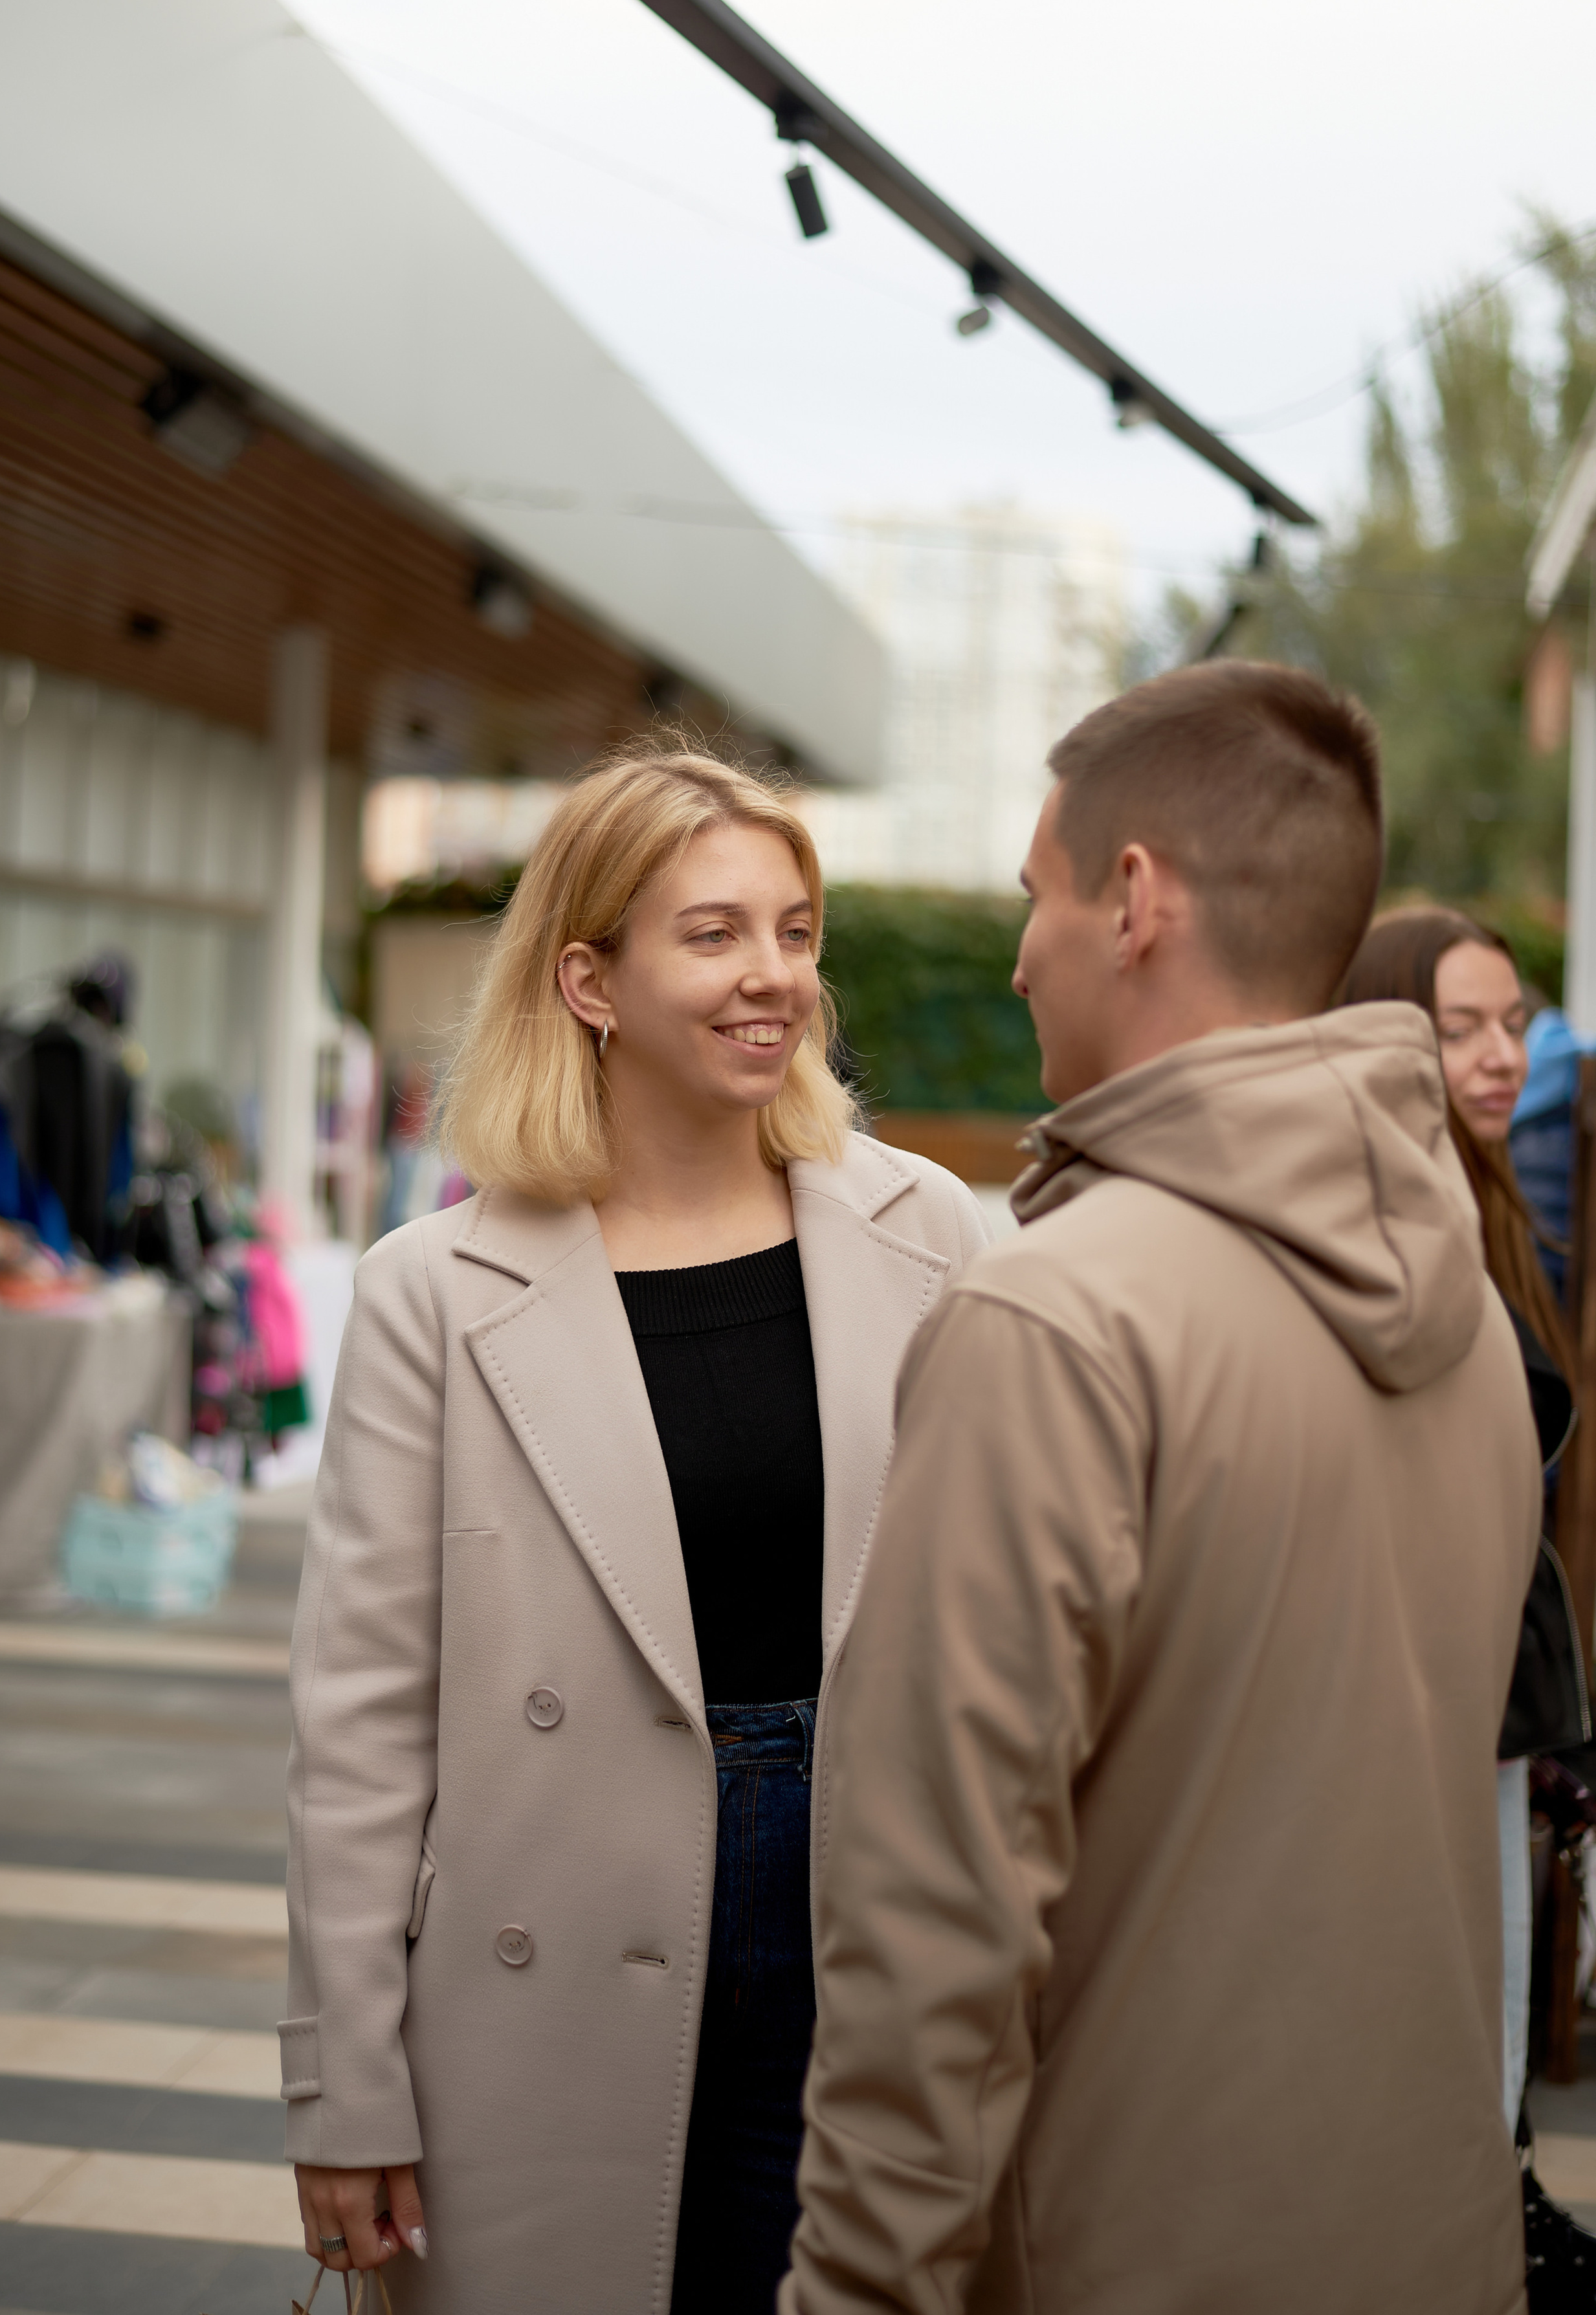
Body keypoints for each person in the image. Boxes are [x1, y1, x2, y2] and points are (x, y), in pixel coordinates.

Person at [780, 661, 1540, 2315]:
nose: (1013, 952)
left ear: (1133, 902)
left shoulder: (1050, 1321)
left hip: (1119, 2253)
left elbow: (933, 1932)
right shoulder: (1469, 1322)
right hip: (1428, 2242)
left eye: (1034, 895)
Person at [282, 744, 989, 2311]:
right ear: (588, 979)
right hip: (542, 1951)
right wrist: (343, 2085)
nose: (774, 979)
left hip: (861, 1915)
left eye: (795, 931)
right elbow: (359, 1722)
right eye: (715, 933)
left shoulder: (926, 1232)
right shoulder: (434, 1290)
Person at [1338, 910, 1582, 2139]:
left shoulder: (1481, 1204)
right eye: (1461, 1028)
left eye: (1517, 1024)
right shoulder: (1379, 1233)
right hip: (1415, 1731)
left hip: (1489, 1721)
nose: (1503, 1057)